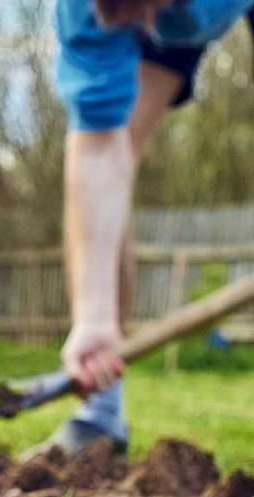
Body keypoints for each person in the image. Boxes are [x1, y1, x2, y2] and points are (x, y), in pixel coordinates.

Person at [40, 0, 254, 455]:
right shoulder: (86, 10)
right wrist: (93, 319)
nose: (149, 28)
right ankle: (101, 413)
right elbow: (100, 146)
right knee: (116, 147)